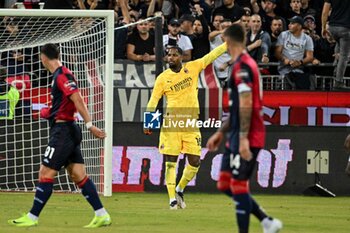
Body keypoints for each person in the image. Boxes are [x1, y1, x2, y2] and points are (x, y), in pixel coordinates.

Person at [8, 43, 111, 228]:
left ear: (43, 58)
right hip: (67, 129)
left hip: (63, 132)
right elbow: (63, 105)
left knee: (45, 173)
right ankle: (102, 214)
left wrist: (90, 125)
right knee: (78, 174)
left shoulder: (62, 75)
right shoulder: (59, 75)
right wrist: (46, 112)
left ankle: (32, 217)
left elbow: (77, 99)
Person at [206, 24, 282, 233]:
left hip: (248, 135)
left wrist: (243, 139)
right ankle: (267, 221)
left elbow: (247, 104)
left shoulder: (244, 66)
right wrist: (221, 133)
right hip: (235, 134)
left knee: (238, 185)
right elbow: (238, 106)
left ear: (228, 41)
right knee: (224, 183)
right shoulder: (239, 65)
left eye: (223, 42)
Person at [144, 42, 227, 210]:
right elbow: (154, 100)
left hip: (190, 123)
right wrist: (148, 121)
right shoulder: (163, 78)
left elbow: (210, 56)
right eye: (169, 55)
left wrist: (228, 44)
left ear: (181, 57)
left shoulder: (193, 67)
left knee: (195, 160)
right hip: (171, 123)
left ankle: (180, 189)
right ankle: (171, 199)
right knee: (171, 161)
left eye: (174, 55)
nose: (171, 58)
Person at [321, 0, 350, 89]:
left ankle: (336, 67)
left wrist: (323, 27)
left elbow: (325, 12)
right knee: (344, 56)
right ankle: (338, 82)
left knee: (338, 46)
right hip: (346, 28)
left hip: (332, 27)